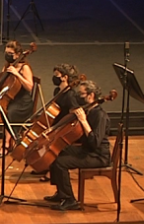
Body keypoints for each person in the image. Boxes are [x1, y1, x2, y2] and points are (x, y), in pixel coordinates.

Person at [45, 79, 111, 212]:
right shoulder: (88, 111)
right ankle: (61, 193)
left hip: (98, 155)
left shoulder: (100, 115)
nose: (77, 97)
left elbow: (94, 142)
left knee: (60, 163)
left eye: (81, 94)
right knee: (56, 151)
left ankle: (70, 200)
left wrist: (83, 121)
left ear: (90, 96)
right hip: (87, 150)